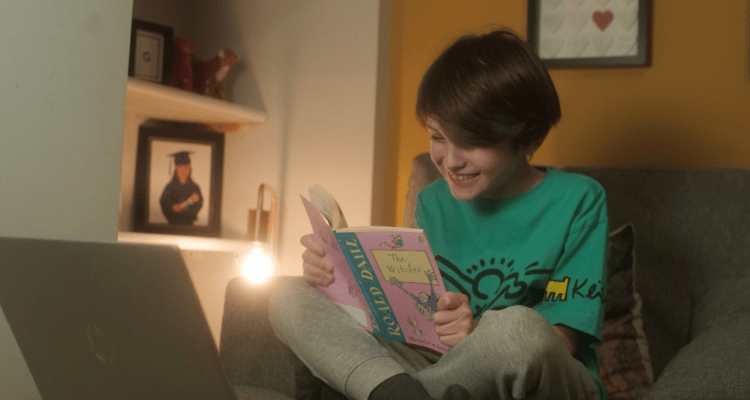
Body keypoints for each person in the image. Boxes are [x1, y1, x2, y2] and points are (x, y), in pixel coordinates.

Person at [269, 29, 608, 400]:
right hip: (440, 374)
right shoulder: (432, 200)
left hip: (536, 379)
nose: (450, 160)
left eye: (472, 141)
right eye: (438, 137)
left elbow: (562, 341)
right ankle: (392, 391)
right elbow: (407, 317)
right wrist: (335, 280)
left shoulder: (578, 199)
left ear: (527, 138)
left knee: (518, 329)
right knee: (287, 294)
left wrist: (476, 330)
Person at [159, 151, 203, 225]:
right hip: (173, 223)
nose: (183, 170)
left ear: (189, 169)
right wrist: (172, 208)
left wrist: (189, 207)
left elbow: (199, 203)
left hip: (189, 223)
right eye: (180, 168)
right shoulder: (170, 186)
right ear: (176, 169)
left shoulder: (194, 187)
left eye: (186, 167)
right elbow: (163, 202)